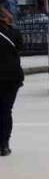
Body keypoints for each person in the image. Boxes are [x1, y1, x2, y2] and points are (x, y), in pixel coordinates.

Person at [0, 8, 23, 156]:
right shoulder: (15, 33)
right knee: (6, 110)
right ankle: (4, 144)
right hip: (12, 78)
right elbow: (20, 49)